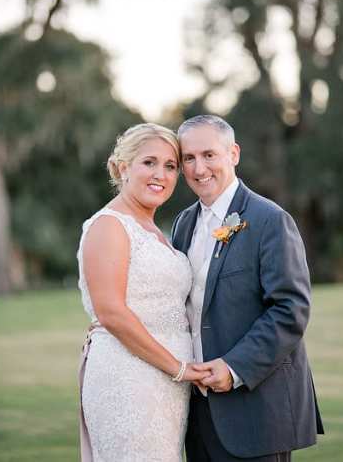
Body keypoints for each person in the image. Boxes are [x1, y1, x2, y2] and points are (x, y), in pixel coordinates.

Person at [171, 115, 323, 461]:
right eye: (188, 159)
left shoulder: (269, 219)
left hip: (257, 409)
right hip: (197, 411)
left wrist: (234, 367)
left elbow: (290, 310)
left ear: (233, 154)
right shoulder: (183, 222)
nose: (198, 169)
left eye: (209, 155)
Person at [77, 123, 211, 462]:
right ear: (124, 168)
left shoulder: (155, 231)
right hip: (128, 379)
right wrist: (178, 367)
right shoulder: (109, 225)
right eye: (149, 162)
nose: (161, 175)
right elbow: (111, 312)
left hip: (166, 384)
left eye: (170, 166)